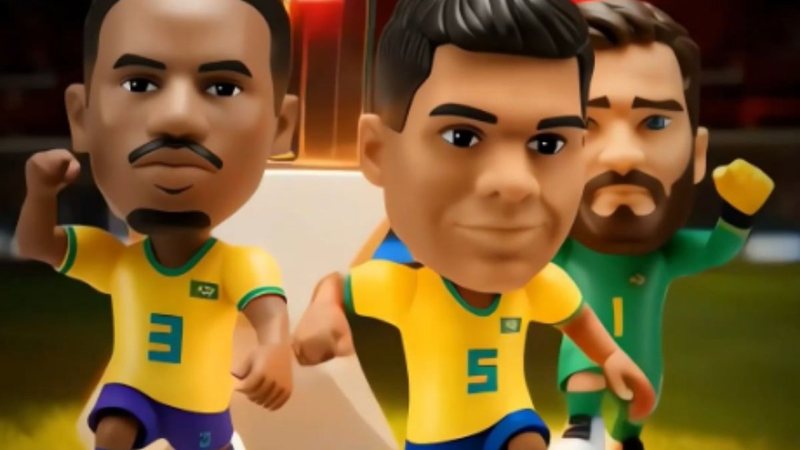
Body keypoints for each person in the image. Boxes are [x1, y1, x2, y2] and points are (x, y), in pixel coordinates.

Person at [293, 1, 656, 449]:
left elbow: (575, 316)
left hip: (511, 423)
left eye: (548, 143)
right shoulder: (409, 290)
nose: (514, 184)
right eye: (462, 137)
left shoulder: (537, 286)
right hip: (435, 439)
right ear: (377, 152)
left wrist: (612, 356)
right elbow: (338, 285)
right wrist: (324, 310)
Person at [15, 0, 299, 449]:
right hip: (132, 393)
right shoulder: (118, 262)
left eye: (222, 88)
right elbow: (36, 245)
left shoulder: (236, 263)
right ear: (82, 116)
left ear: (279, 128)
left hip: (201, 408)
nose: (176, 118)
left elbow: (270, 316)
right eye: (140, 83)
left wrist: (275, 351)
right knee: (113, 430)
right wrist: (40, 194)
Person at [551, 1, 775, 449]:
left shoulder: (663, 255)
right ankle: (582, 425)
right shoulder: (566, 250)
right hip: (584, 354)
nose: (622, 156)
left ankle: (627, 436)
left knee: (641, 396)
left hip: (642, 358)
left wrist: (738, 213)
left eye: (654, 122)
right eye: (586, 123)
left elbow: (717, 248)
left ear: (697, 153)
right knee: (584, 373)